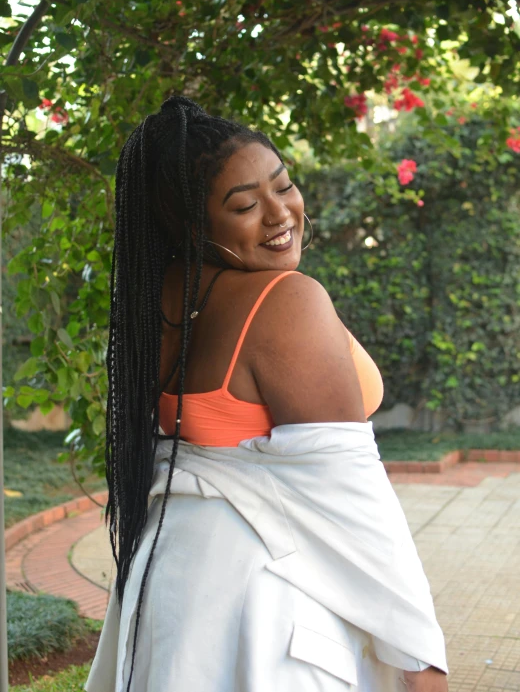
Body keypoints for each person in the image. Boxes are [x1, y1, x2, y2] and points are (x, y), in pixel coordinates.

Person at [85, 96, 448, 692]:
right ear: (191, 224)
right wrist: (423, 664)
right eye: (246, 205)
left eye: (284, 186)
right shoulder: (285, 303)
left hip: (172, 593)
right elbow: (356, 507)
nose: (281, 214)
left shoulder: (156, 300)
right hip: (264, 608)